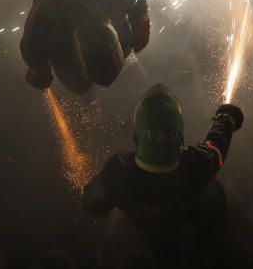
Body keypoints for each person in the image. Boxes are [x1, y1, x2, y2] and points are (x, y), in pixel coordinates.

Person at [82, 84, 244, 236]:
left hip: (143, 223)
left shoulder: (118, 169)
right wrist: (225, 119)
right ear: (179, 136)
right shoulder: (196, 163)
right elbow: (216, 147)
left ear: (137, 136)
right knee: (214, 191)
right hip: (184, 218)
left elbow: (95, 205)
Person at [20, 0, 150, 94]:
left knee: (80, 85)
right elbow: (36, 65)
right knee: (79, 87)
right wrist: (38, 71)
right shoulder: (39, 28)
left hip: (101, 10)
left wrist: (141, 23)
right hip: (59, 27)